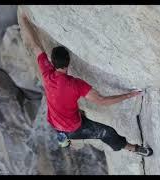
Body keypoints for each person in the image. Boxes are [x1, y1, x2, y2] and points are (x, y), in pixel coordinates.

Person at [19, 12, 153, 157]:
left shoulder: (47, 73)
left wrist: (24, 20)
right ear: (69, 63)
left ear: (53, 61)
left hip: (54, 122)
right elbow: (102, 101)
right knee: (107, 132)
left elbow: (35, 46)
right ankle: (134, 149)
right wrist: (129, 94)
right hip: (73, 128)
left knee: (75, 114)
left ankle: (63, 139)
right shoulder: (76, 84)